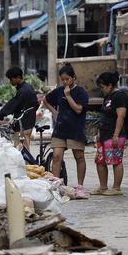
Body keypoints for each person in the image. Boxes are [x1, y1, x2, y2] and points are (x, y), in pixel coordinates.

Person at [42, 63, 89, 199]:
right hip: (60, 129)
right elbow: (45, 100)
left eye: (67, 79)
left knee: (79, 157)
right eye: (62, 79)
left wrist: (68, 96)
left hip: (75, 129)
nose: (65, 82)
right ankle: (56, 184)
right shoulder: (58, 91)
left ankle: (80, 186)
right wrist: (54, 112)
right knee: (56, 156)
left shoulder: (81, 92)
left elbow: (78, 109)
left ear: (74, 78)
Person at [93, 71, 128, 196]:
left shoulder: (119, 96)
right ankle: (103, 187)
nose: (101, 89)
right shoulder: (107, 97)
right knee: (100, 161)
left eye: (103, 87)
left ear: (109, 85)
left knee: (115, 160)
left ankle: (116, 188)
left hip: (115, 135)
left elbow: (121, 116)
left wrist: (116, 135)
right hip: (104, 134)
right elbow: (104, 115)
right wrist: (99, 132)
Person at [0, 66, 40, 151]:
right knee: (24, 148)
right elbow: (35, 104)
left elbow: (12, 105)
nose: (10, 81)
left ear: (18, 77)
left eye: (11, 79)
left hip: (23, 125)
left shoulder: (23, 91)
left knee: (21, 150)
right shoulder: (27, 87)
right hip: (28, 122)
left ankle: (27, 164)